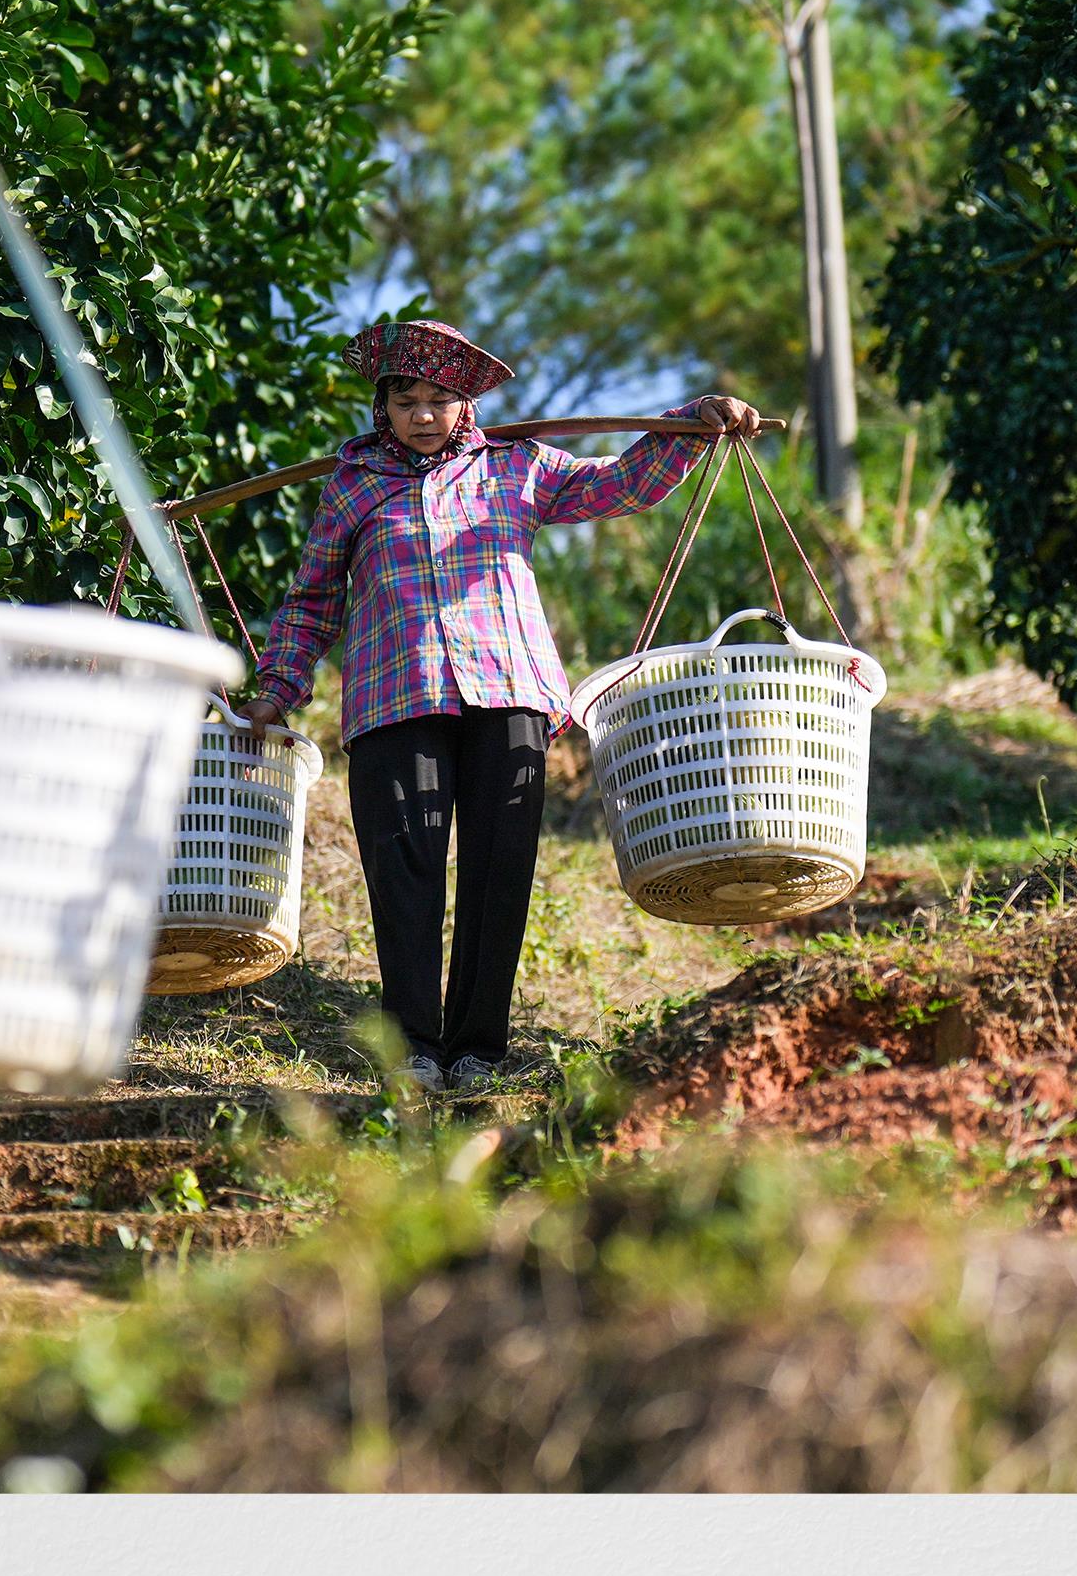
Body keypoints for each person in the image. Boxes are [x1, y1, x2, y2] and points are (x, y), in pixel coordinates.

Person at [235, 319, 760, 1093]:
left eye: (440, 400)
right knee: (404, 865)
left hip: (506, 690)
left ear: (465, 405)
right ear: (382, 407)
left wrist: (690, 424)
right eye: (405, 399)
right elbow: (312, 601)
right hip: (394, 693)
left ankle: (478, 1045)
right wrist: (276, 690)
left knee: (498, 867)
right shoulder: (352, 485)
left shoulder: (518, 468)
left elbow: (619, 484)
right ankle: (412, 1047)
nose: (422, 415)